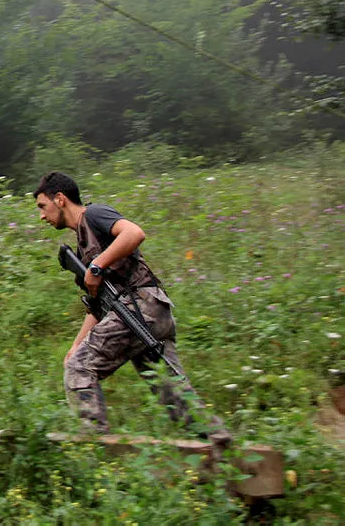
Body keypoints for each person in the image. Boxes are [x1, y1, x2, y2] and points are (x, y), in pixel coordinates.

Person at [34, 171, 228, 441]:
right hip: (148, 313)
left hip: (140, 308)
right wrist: (76, 344)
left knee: (79, 369)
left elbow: (134, 233)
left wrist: (97, 265)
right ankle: (222, 449)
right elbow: (97, 307)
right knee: (174, 396)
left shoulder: (94, 214)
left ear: (60, 199)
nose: (42, 216)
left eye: (43, 206)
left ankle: (93, 448)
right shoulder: (81, 246)